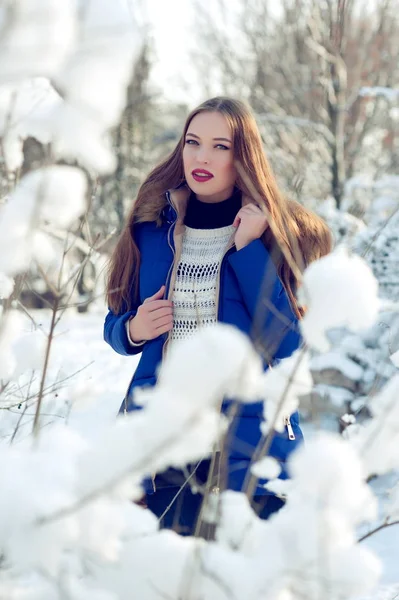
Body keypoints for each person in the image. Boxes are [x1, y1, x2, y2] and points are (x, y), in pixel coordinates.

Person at [104, 97, 332, 536]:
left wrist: (248, 249)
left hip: (248, 434)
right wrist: (132, 329)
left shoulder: (277, 235)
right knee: (165, 572)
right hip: (164, 430)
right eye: (192, 142)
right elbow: (115, 322)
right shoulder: (151, 230)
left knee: (240, 576)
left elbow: (285, 343)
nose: (201, 157)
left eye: (220, 146)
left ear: (242, 156)